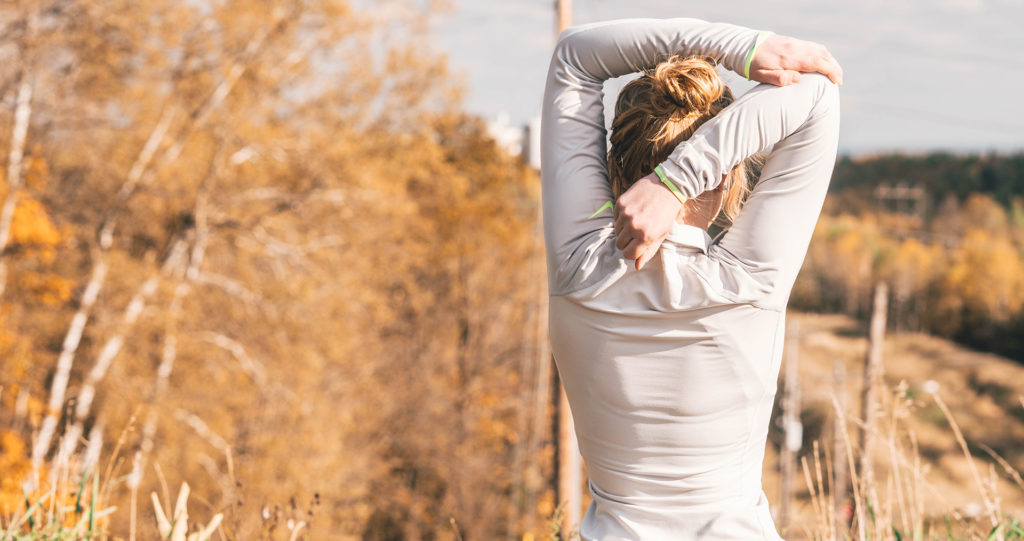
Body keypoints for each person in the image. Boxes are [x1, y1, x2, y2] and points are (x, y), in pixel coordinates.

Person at [540, 18, 842, 540]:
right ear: (726, 172)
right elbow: (817, 95)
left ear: (613, 160)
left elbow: (575, 56)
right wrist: (676, 181)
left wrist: (745, 49)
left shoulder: (577, 266)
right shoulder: (748, 283)